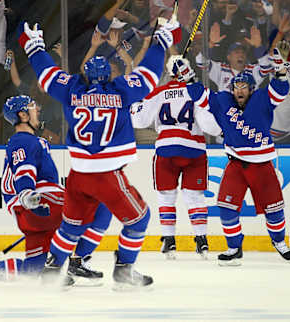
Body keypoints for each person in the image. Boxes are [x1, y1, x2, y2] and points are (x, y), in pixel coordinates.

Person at [18, 13, 181, 289]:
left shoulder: (72, 89)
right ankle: (124, 271)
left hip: (78, 175)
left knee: (71, 226)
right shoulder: (120, 90)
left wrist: (33, 47)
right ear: (108, 76)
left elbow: (48, 76)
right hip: (106, 175)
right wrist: (162, 41)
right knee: (140, 219)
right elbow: (150, 75)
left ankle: (51, 271)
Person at [0, 95, 110, 287]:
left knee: (35, 269)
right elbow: (24, 173)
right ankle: (77, 262)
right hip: (41, 202)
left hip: (30, 212)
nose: (39, 109)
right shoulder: (24, 141)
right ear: (23, 115)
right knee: (102, 206)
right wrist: (28, 197)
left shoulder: (27, 141)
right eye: (33, 107)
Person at [202, 44, 290, 265]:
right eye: (236, 87)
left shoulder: (262, 99)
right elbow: (200, 95)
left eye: (243, 87)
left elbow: (280, 89)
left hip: (262, 165)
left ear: (251, 89)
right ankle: (234, 248)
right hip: (235, 165)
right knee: (225, 207)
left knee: (273, 210)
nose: (239, 91)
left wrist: (280, 72)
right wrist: (184, 76)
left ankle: (279, 241)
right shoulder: (224, 101)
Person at [131, 55, 221, 260]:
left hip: (166, 149)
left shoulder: (159, 92)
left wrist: (136, 101)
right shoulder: (197, 92)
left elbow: (138, 120)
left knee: (166, 196)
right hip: (193, 149)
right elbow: (211, 127)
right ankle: (201, 241)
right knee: (194, 197)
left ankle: (169, 241)